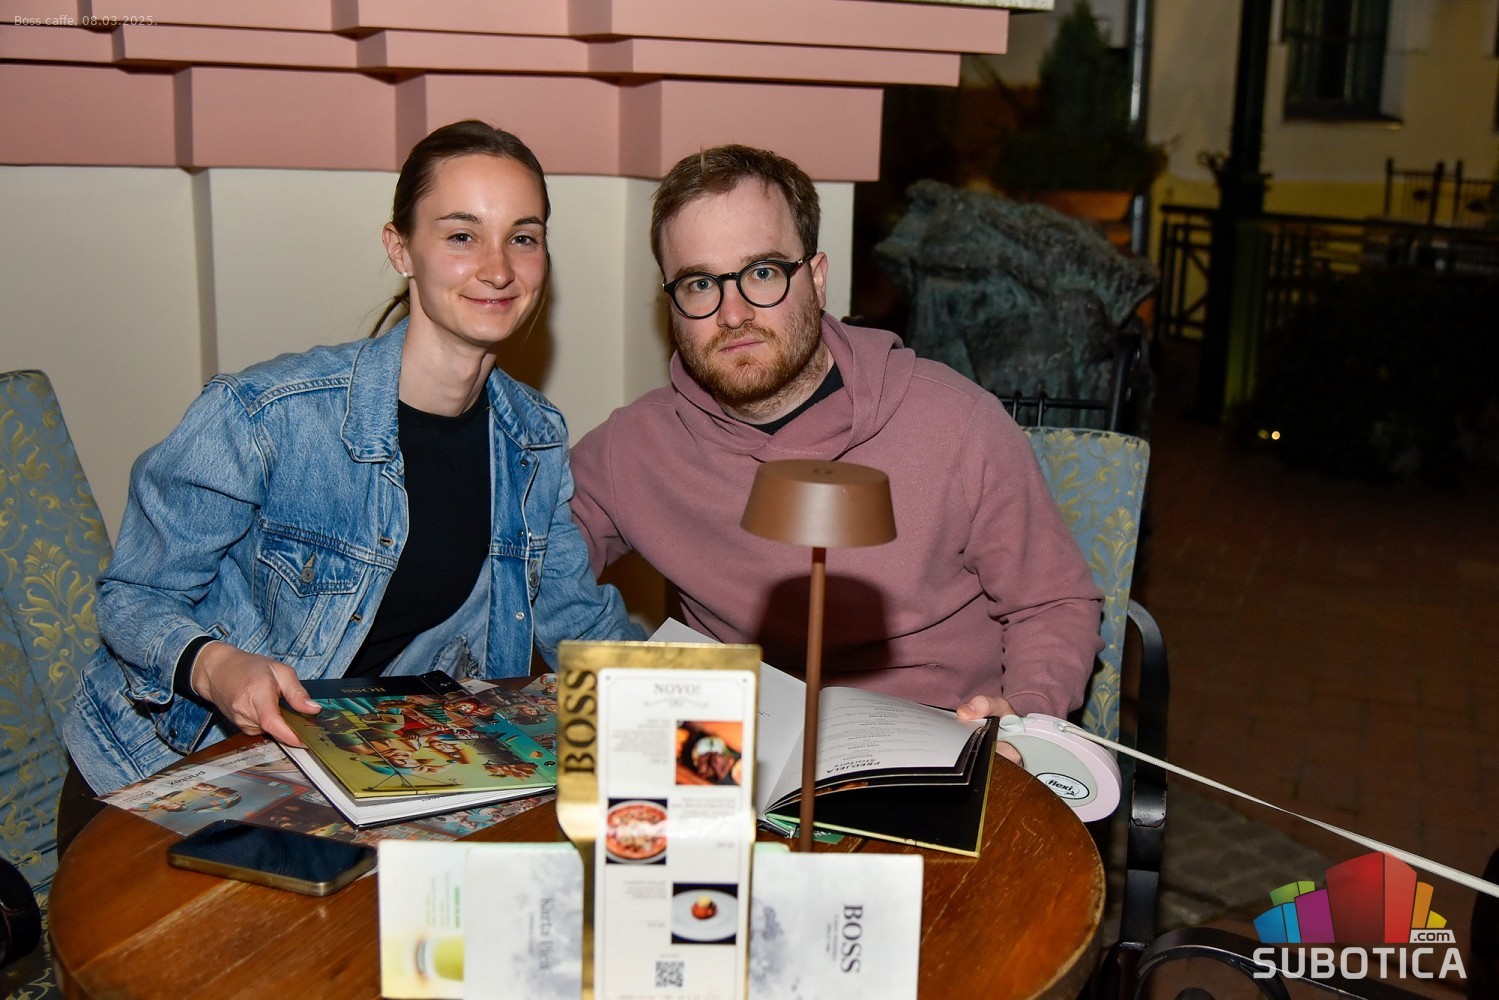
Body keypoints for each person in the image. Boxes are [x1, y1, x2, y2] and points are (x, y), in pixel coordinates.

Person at [63, 120, 644, 815]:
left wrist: (709, 703)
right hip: (166, 769)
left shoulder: (534, 438)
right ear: (401, 249)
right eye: (461, 236)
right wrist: (214, 665)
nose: (498, 268)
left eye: (523, 237)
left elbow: (575, 618)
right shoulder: (266, 414)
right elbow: (133, 595)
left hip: (366, 776)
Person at [569, 144, 1102, 723]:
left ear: (818, 280)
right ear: (671, 305)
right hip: (726, 751)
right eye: (699, 284)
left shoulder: (958, 425)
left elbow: (1054, 602)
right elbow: (530, 552)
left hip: (929, 740)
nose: (733, 313)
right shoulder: (634, 446)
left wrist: (1026, 710)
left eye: (763, 273)